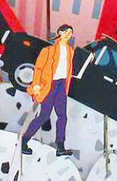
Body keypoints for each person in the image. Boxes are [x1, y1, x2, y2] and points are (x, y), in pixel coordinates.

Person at [20, 23, 76, 156]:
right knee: (44, 115)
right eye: (66, 32)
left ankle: (60, 147)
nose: (68, 34)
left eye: (70, 32)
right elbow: (38, 69)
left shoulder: (71, 51)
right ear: (59, 33)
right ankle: (24, 141)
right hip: (49, 85)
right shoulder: (48, 50)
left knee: (62, 116)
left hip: (62, 85)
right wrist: (36, 85)